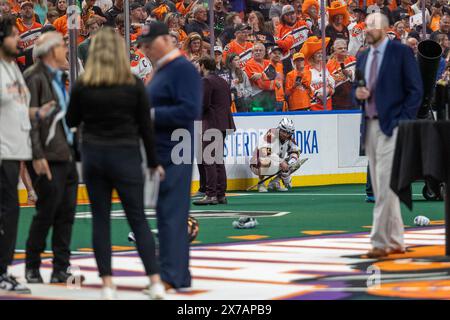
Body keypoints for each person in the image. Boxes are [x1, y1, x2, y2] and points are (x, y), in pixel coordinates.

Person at [66, 27, 165, 300]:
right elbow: (146, 126)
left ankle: (108, 285)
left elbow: (71, 120)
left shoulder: (84, 84)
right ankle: (155, 281)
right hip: (127, 155)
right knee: (138, 220)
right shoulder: (132, 83)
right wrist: (153, 162)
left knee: (100, 221)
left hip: (95, 156)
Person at [137, 21, 202, 290]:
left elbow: (190, 110)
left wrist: (148, 115)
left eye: (149, 46)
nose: (146, 52)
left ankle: (171, 276)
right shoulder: (166, 70)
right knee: (167, 213)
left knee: (172, 214)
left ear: (163, 41)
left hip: (174, 151)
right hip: (165, 151)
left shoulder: (181, 69)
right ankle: (177, 275)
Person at [353, 12, 423, 258]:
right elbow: (357, 86)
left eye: (372, 26)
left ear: (385, 28)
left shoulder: (400, 52)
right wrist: (358, 94)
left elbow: (416, 90)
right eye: (366, 26)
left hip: (392, 125)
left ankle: (380, 242)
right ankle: (396, 241)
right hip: (370, 125)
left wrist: (402, 121)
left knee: (384, 184)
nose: (368, 29)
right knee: (384, 184)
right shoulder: (362, 57)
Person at [22, 31, 81, 285]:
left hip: (65, 154)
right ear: (49, 51)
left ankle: (61, 267)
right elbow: (29, 121)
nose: (65, 50)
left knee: (66, 213)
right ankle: (32, 266)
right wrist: (36, 155)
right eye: (61, 46)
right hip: (48, 156)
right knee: (46, 211)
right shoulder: (33, 77)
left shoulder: (59, 78)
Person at [0, 13, 33, 294]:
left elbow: (19, 108)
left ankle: (3, 269)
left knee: (10, 214)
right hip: (2, 153)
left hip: (14, 152)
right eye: (13, 35)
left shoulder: (12, 68)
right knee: (6, 213)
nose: (18, 39)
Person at [193, 56, 235, 205]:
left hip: (210, 124)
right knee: (218, 160)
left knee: (208, 160)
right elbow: (229, 102)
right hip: (223, 124)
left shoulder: (206, 81)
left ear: (203, 65)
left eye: (199, 65)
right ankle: (220, 194)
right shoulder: (222, 81)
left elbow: (203, 104)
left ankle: (211, 195)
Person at [250, 118, 305, 192]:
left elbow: (296, 150)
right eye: (284, 132)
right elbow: (264, 151)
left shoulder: (289, 138)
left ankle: (275, 183)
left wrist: (291, 162)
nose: (286, 135)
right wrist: (281, 161)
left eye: (288, 133)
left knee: (295, 163)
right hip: (256, 164)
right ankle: (261, 183)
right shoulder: (271, 134)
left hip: (275, 163)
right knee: (265, 159)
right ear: (279, 129)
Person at [300, 36, 335, 110]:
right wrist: (317, 94)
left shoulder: (326, 67)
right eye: (317, 53)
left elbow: (332, 82)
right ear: (312, 56)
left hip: (327, 102)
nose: (320, 55)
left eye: (322, 53)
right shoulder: (307, 69)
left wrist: (329, 90)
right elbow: (306, 85)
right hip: (313, 104)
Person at [274, 4, 308, 74]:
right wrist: (287, 50)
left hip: (306, 58)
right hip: (289, 62)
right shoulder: (279, 29)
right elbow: (277, 48)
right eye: (288, 14)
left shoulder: (303, 23)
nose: (291, 16)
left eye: (292, 13)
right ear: (283, 17)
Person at [245, 42, 278, 112]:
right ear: (252, 53)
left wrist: (261, 75)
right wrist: (272, 80)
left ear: (265, 52)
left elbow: (277, 77)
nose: (258, 52)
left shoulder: (269, 62)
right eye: (256, 50)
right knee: (258, 118)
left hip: (271, 96)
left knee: (272, 118)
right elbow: (261, 84)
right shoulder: (249, 64)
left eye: (260, 50)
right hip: (257, 98)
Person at [327, 39, 356, 110]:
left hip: (354, 99)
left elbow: (361, 75)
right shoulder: (329, 65)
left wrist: (350, 74)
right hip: (338, 101)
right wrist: (337, 80)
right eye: (340, 48)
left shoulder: (353, 60)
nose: (343, 50)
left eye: (345, 48)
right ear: (334, 50)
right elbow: (329, 83)